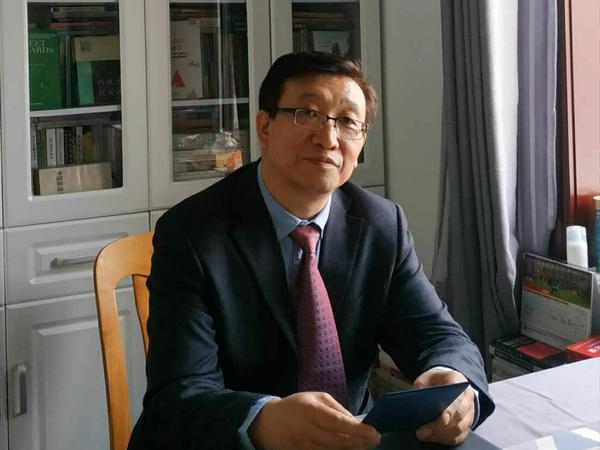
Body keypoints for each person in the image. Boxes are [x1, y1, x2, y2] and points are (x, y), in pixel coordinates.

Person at [128, 52, 495, 450]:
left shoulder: (382, 225)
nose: (328, 139)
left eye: (348, 122)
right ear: (265, 126)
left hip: (352, 438)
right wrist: (263, 421)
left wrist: (455, 381)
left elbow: (439, 335)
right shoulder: (191, 234)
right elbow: (178, 397)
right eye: (308, 113)